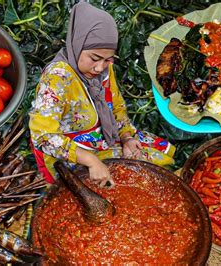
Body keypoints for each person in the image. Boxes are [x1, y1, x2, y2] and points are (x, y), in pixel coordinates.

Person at [28, 1, 175, 187]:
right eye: (94, 58)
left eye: (107, 59)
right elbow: (43, 136)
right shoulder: (57, 78)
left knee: (151, 163)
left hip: (103, 136)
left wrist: (126, 138)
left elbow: (117, 106)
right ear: (77, 43)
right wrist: (91, 161)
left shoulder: (105, 69)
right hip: (70, 151)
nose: (99, 67)